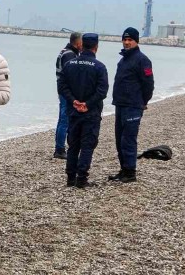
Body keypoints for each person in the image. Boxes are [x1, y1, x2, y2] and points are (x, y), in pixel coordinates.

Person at [57, 33, 108, 189]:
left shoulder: (70, 64)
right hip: (90, 112)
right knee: (87, 144)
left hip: (74, 110)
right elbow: (102, 91)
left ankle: (70, 177)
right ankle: (81, 178)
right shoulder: (99, 67)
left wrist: (73, 100)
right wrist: (87, 104)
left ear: (82, 45)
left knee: (73, 144)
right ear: (96, 47)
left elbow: (62, 86)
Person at [109, 27, 154, 183]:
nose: (127, 42)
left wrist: (143, 102)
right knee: (119, 140)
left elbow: (149, 84)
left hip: (133, 106)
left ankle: (130, 172)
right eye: (125, 39)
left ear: (136, 41)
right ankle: (124, 169)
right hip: (120, 105)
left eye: (130, 40)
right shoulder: (123, 60)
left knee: (128, 140)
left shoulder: (143, 60)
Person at [53, 32, 83, 159]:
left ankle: (60, 147)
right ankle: (60, 149)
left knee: (63, 119)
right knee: (65, 119)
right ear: (77, 43)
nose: (83, 45)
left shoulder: (65, 52)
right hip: (66, 91)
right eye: (81, 43)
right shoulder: (70, 55)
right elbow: (72, 75)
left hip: (62, 90)